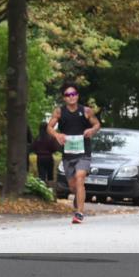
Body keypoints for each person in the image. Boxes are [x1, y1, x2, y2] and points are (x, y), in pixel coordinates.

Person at [47, 82, 101, 224]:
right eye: (67, 95)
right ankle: (78, 196)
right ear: (64, 98)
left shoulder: (86, 111)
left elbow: (97, 124)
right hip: (68, 153)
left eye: (73, 94)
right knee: (72, 186)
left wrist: (91, 130)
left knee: (80, 177)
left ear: (77, 95)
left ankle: (79, 213)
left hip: (84, 152)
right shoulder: (59, 111)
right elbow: (49, 127)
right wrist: (57, 135)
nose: (71, 97)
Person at [31, 120, 59, 186]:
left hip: (40, 158)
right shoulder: (51, 138)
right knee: (50, 175)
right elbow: (55, 148)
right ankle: (50, 188)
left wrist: (37, 152)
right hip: (49, 158)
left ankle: (42, 189)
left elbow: (33, 148)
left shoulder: (37, 138)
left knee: (41, 175)